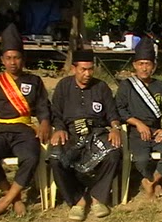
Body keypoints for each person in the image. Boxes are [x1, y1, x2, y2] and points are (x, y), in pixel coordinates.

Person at [0, 23, 51, 220]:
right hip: (1, 130)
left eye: (16, 57)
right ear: (3, 60)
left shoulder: (34, 81)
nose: (13, 62)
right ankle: (13, 196)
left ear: (23, 59)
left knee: (31, 156)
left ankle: (4, 202)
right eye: (8, 58)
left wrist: (45, 122)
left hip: (24, 130)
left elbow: (42, 106)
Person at [48, 49, 121, 221]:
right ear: (74, 69)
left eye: (90, 69)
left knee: (114, 153)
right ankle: (77, 200)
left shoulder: (101, 87)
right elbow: (56, 113)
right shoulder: (63, 86)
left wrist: (116, 128)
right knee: (55, 158)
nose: (87, 73)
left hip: (97, 132)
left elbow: (112, 114)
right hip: (70, 132)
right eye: (83, 69)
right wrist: (59, 128)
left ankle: (97, 197)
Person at [115, 37, 162, 199]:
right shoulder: (126, 86)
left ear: (154, 66)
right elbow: (119, 110)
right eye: (141, 64)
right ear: (135, 65)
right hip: (135, 132)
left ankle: (152, 181)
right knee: (142, 159)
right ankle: (150, 179)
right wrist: (137, 123)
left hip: (156, 130)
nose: (144, 68)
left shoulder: (160, 87)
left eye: (148, 64)